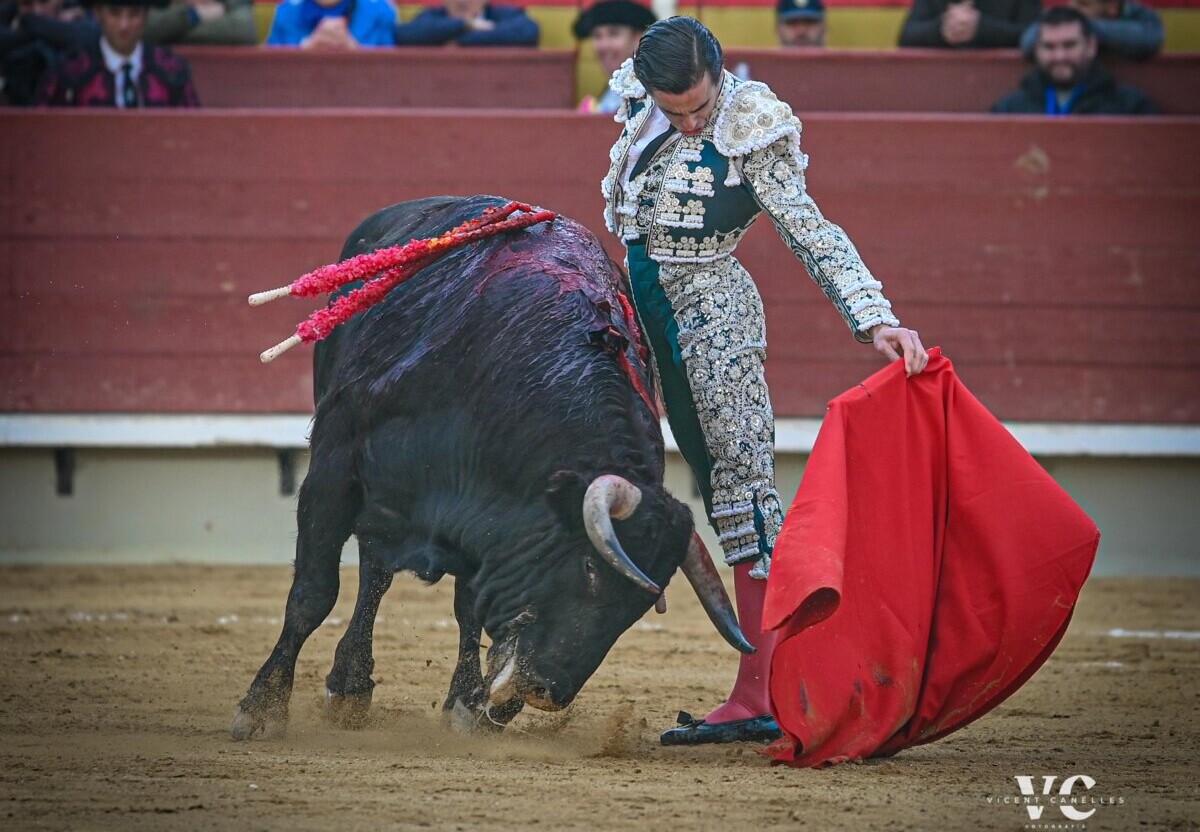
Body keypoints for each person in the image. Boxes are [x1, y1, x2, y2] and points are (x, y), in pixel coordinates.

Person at [601, 16, 927, 745]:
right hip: (641, 306)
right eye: (674, 109)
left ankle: (767, 689)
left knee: (743, 491)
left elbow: (809, 228)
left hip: (713, 311)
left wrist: (874, 316)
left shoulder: (752, 123)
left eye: (700, 108)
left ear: (720, 75)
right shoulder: (637, 99)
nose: (689, 124)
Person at [992, 5, 1155, 115]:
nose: (1060, 56)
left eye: (1069, 45)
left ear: (1091, 46)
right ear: (1036, 50)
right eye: (1049, 47)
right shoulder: (1010, 109)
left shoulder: (1131, 107)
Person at [36, 0, 199, 106]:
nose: (124, 25)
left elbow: (195, 134)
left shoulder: (172, 70)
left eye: (134, 14)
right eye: (114, 13)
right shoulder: (70, 71)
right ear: (99, 13)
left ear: (146, 15)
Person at [1, 0, 97, 105]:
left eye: (44, 2)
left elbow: (95, 35)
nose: (37, 11)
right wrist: (55, 28)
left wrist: (32, 27)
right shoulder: (7, 15)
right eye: (27, 4)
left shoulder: (80, 12)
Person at [572, 0, 654, 113]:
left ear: (638, 38)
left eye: (614, 34)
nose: (604, 45)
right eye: (597, 36)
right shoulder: (612, 89)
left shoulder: (651, 91)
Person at [1019, 0, 1162, 61]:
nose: (1073, 11)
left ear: (1113, 8)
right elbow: (1028, 41)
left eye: (1083, 4)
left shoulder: (1140, 17)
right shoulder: (1061, 15)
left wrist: (1082, 28)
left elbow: (1151, 38)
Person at [899, 0, 1039, 48]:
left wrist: (982, 29)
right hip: (943, 79)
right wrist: (942, 30)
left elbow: (1035, 36)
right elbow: (907, 37)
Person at [394, 0, 537, 46]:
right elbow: (404, 34)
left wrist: (461, 40)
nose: (462, 1)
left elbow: (528, 31)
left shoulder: (502, 14)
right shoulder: (433, 15)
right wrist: (464, 25)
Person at [266, 0, 397, 49]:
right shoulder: (286, 12)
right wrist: (304, 49)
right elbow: (265, 72)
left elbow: (394, 72)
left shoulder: (380, 12)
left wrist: (355, 51)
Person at [143, 0, 256, 46]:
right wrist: (194, 14)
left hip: (221, 80)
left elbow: (243, 28)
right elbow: (143, 27)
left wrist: (169, 31)